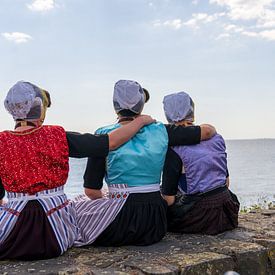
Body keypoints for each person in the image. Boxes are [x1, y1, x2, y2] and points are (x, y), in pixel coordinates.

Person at [0, 81, 155, 260]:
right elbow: (110, 142)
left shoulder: (2, 141)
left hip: (13, 233)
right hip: (55, 233)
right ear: (39, 108)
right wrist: (141, 121)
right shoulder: (57, 136)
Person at [74, 80, 216, 247]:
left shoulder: (103, 135)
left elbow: (91, 191)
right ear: (141, 105)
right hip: (155, 221)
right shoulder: (161, 130)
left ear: (115, 106)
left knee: (74, 210)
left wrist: (113, 198)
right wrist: (210, 128)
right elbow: (206, 131)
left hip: (122, 222)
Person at [161, 91, 240, 235]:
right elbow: (226, 182)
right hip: (227, 210)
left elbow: (169, 199)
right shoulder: (216, 138)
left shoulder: (173, 149)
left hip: (200, 218)